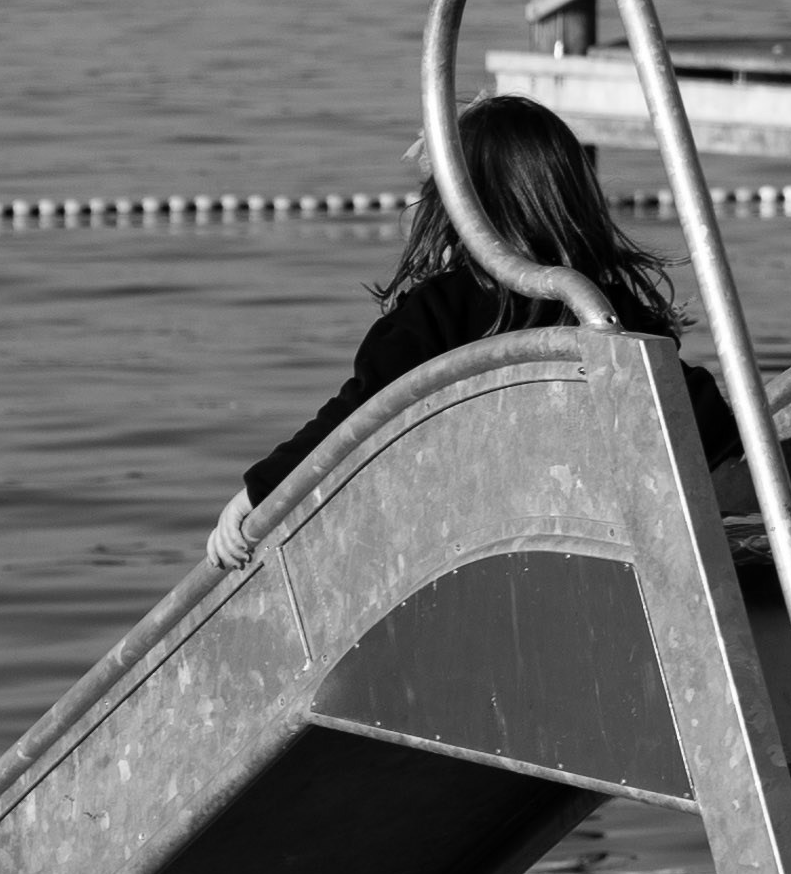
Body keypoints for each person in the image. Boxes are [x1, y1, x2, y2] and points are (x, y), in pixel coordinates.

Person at [210, 96, 686, 565]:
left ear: (454, 203)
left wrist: (260, 493)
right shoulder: (608, 311)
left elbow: (356, 417)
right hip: (601, 532)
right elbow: (689, 413)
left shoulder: (438, 309)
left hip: (472, 545)